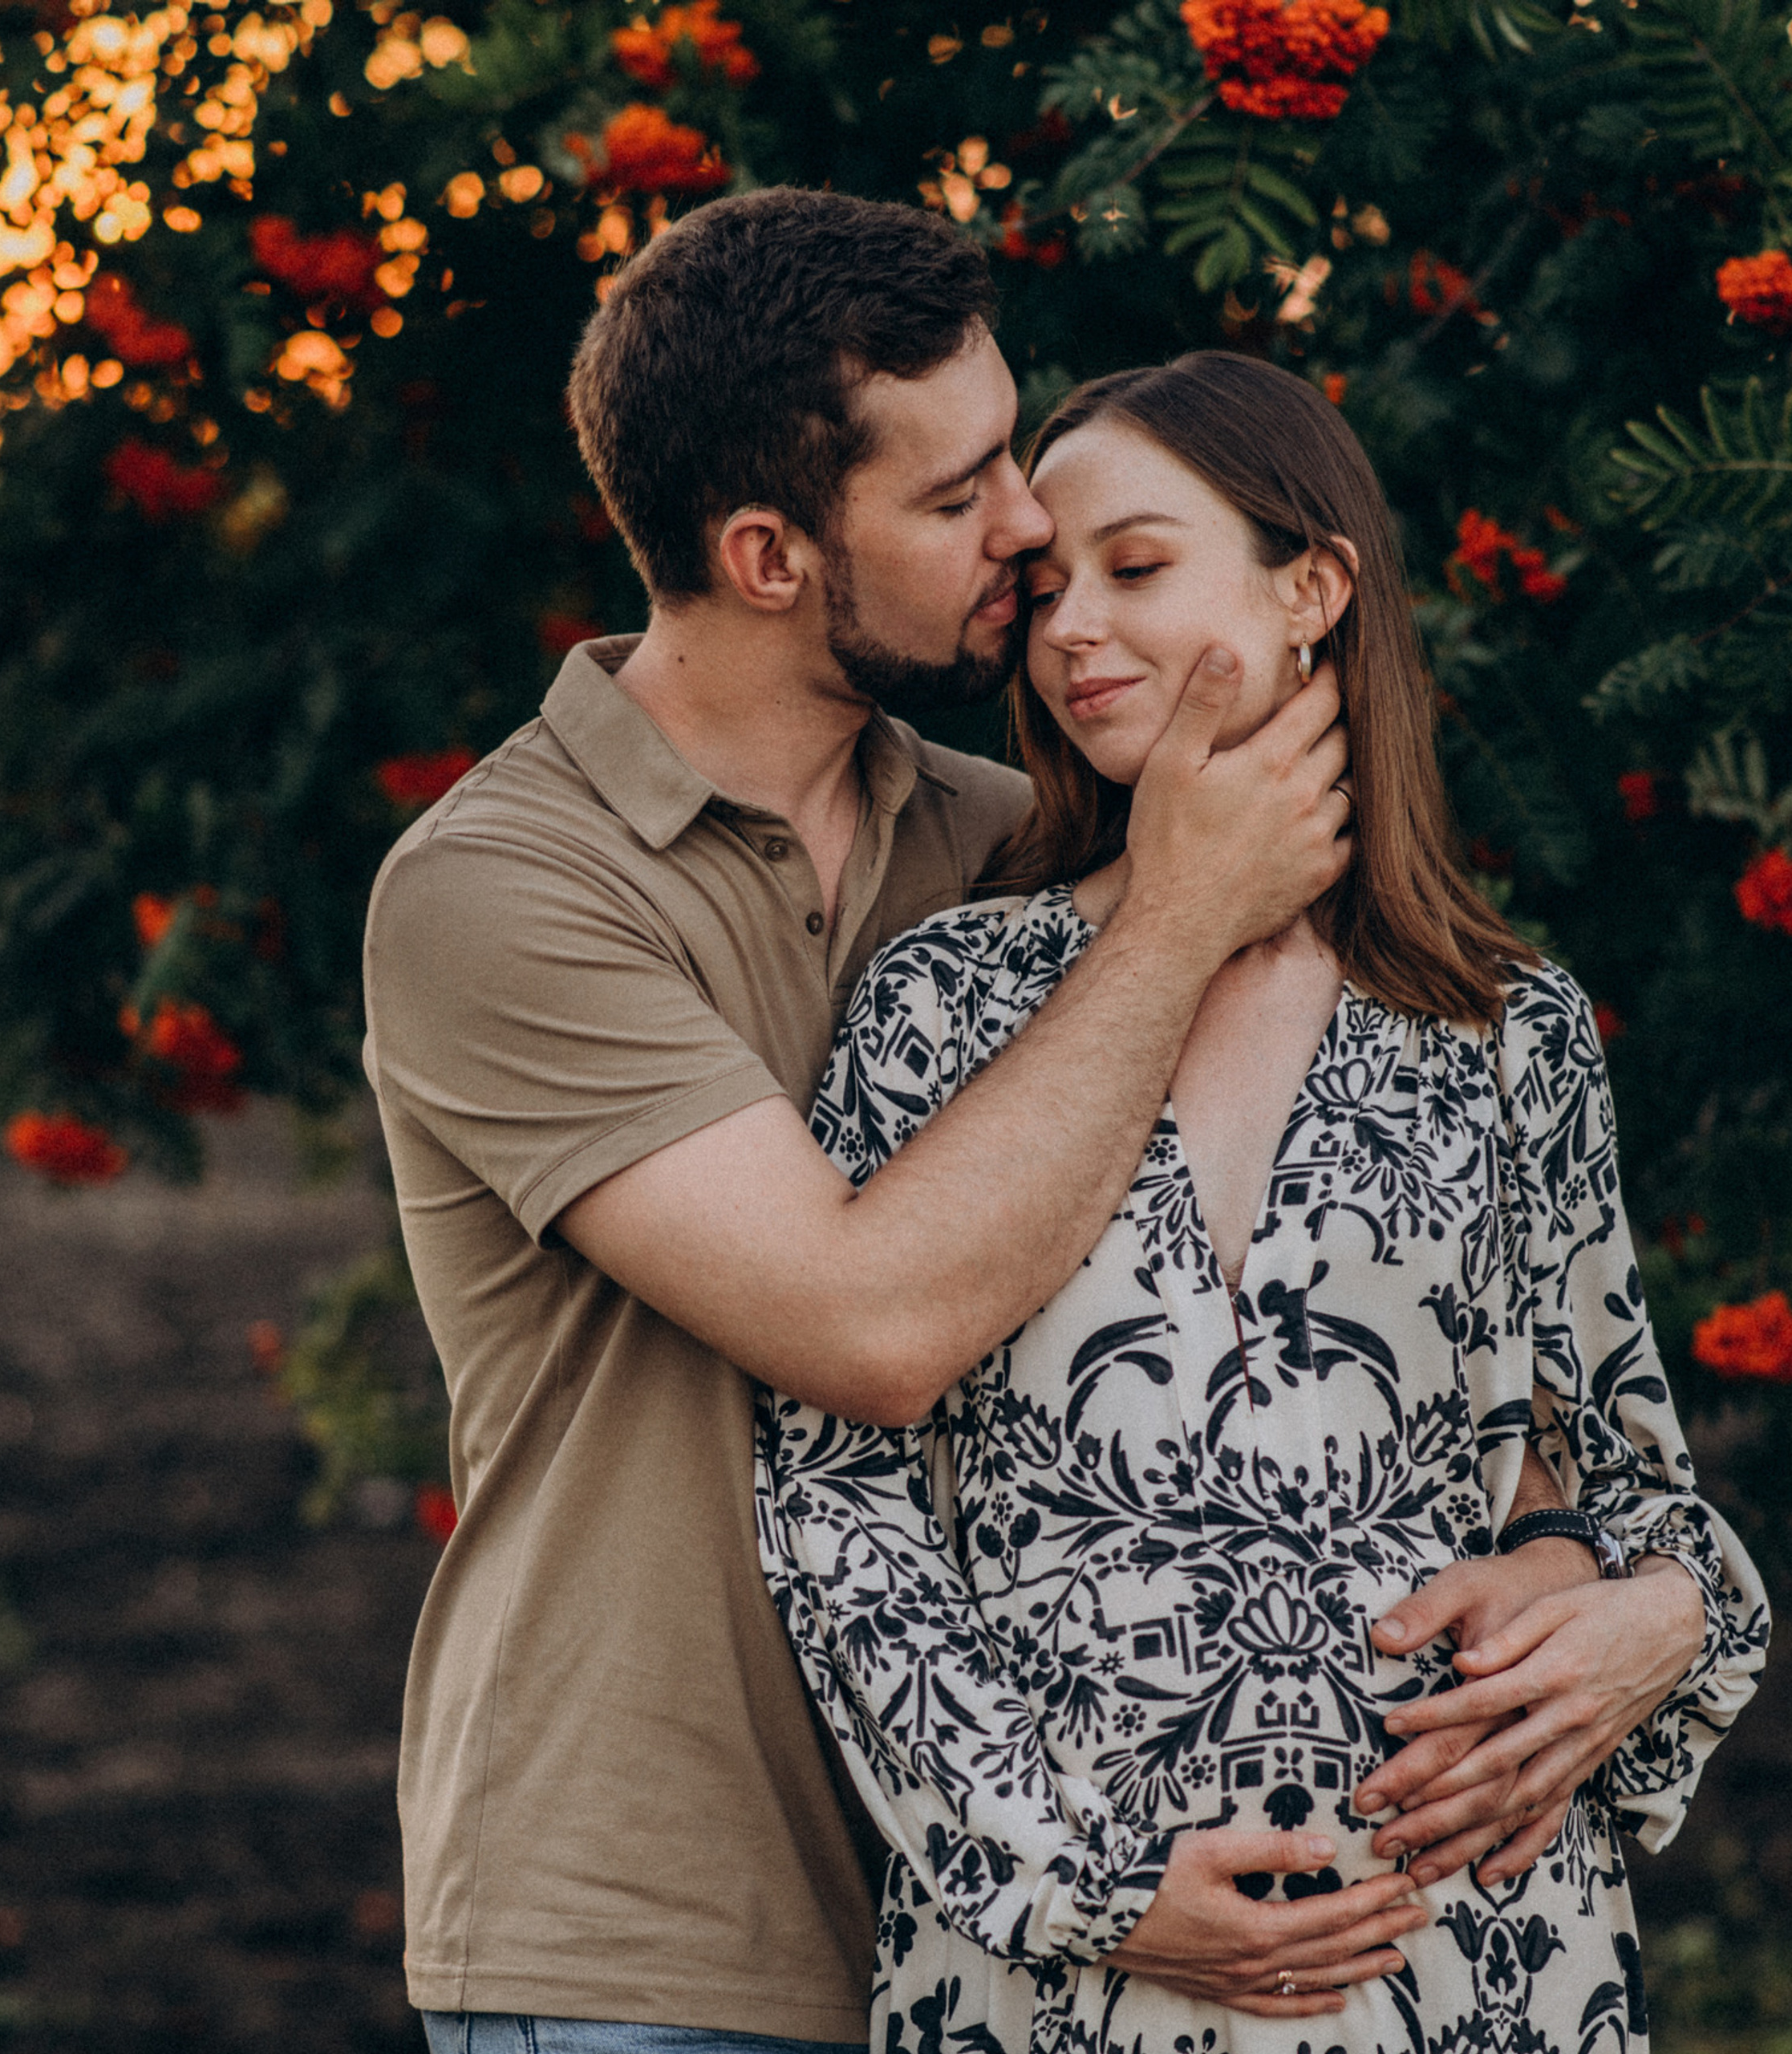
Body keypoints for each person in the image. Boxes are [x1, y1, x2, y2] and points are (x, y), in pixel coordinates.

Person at [363, 192, 1603, 2054]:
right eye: (954, 503)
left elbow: (1486, 1392)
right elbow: (870, 1331)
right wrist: (1179, 910)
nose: (1025, 530)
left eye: (1010, 459)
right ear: (772, 554)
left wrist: (1628, 1589)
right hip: (658, 1920)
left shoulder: (1004, 855)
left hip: (1011, 1944)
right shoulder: (504, 889)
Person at [755, 352, 1770, 2054]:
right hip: (1059, 1968)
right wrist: (1074, 1875)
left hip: (1465, 1961)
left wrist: (1652, 1616)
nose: (1070, 626)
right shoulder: (939, 1000)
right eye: (1045, 586)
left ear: (1311, 587)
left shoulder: (1502, 1026)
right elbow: (835, 1508)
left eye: (1135, 567)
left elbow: (1629, 1495)